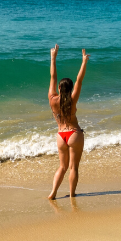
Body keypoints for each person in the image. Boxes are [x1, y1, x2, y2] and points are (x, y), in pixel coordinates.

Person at [47, 44, 88, 200]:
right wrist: (83, 61)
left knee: (62, 167)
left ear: (58, 88)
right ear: (70, 90)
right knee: (73, 167)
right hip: (74, 134)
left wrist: (53, 57)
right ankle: (71, 195)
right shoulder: (72, 99)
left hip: (61, 136)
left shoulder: (52, 99)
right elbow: (79, 79)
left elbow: (53, 77)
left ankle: (53, 193)